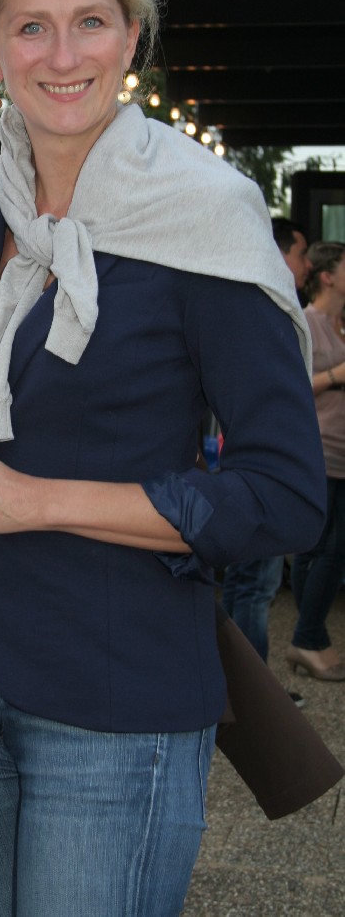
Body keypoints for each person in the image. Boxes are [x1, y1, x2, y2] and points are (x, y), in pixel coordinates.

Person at [0, 0, 326, 917]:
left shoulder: (203, 216)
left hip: (116, 695)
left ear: (130, 38)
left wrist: (36, 499)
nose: (62, 55)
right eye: (30, 28)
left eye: (89, 22)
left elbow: (283, 495)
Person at [220, 216, 312, 687]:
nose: (306, 265)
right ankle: (252, 691)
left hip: (243, 465)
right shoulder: (262, 304)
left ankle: (239, 687)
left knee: (246, 585)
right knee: (256, 586)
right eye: (300, 254)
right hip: (256, 467)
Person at [286, 241, 345, 682]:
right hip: (320, 450)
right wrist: (337, 375)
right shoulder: (306, 321)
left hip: (342, 454)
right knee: (327, 551)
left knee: (323, 551)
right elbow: (292, 386)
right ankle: (308, 638)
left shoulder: (341, 325)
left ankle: (311, 637)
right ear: (327, 276)